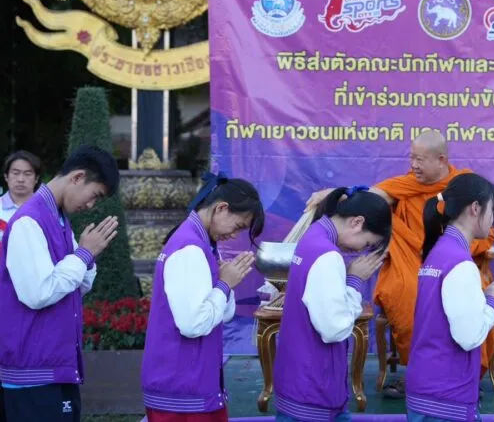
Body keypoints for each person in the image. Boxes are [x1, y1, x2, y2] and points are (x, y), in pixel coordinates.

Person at [307, 130, 494, 397]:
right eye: (411, 158)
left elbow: (486, 234)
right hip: (409, 262)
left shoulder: (463, 186)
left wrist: (461, 250)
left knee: (469, 294)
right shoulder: (404, 185)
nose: (413, 165)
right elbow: (370, 196)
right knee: (406, 293)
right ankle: (420, 371)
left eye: (420, 159)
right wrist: (333, 194)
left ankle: (463, 371)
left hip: (456, 262)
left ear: (441, 160)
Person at [0, 145, 120, 422]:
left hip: (55, 366)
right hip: (33, 373)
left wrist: (87, 257)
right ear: (77, 178)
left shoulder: (58, 218)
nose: (90, 205)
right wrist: (84, 254)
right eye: (95, 195)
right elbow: (38, 293)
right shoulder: (29, 220)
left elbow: (78, 284)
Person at [141, 172, 264, 421]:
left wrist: (224, 284)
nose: (235, 235)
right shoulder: (190, 249)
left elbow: (221, 314)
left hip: (192, 383)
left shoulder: (200, 243)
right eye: (238, 226)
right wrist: (225, 284)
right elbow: (193, 324)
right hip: (183, 390)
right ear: (221, 208)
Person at [406, 173, 494, 422]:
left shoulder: (440, 251)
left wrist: (483, 298)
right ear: (475, 208)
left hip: (426, 389)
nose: (493, 221)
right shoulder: (460, 262)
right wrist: (493, 302)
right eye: (492, 212)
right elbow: (469, 337)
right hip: (445, 397)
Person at [273, 186, 391, 421]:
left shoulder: (314, 233)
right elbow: (334, 329)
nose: (361, 250)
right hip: (312, 387)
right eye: (368, 243)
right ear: (356, 222)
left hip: (296, 377)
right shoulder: (327, 255)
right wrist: (355, 282)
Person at [0, 150, 42, 240]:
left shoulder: (48, 209)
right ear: (6, 176)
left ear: (36, 178)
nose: (20, 179)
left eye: (27, 174)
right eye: (15, 173)